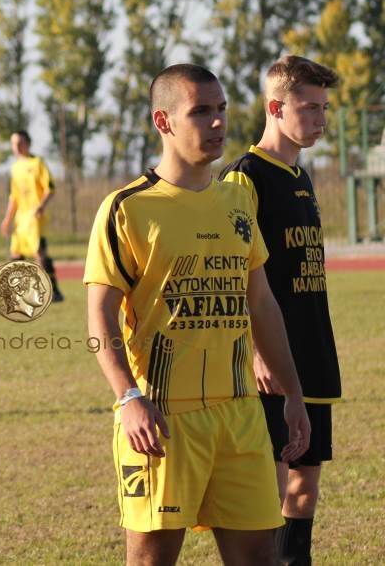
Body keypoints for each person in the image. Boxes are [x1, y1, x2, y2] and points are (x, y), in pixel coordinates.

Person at [85, 63, 309, 566]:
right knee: (153, 559)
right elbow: (99, 317)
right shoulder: (127, 208)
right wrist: (128, 397)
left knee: (260, 557)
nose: (218, 122)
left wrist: (293, 392)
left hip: (240, 412)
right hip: (163, 416)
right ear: (163, 121)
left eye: (222, 109)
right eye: (201, 111)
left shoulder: (237, 199)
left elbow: (261, 303)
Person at [219, 56, 341, 566]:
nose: (320, 119)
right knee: (269, 484)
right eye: (309, 107)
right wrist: (255, 352)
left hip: (312, 350)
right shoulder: (244, 179)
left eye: (324, 108)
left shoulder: (301, 176)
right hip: (271, 359)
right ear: (275, 108)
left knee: (305, 483)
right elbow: (232, 276)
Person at [0, 130, 63, 302]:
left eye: (20, 143)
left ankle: (53, 291)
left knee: (39, 254)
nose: (16, 147)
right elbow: (14, 197)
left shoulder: (38, 163)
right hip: (21, 219)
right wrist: (7, 219)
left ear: (28, 143)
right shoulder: (15, 168)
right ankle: (19, 294)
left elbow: (50, 188)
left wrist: (41, 206)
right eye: (13, 143)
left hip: (35, 218)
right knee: (15, 255)